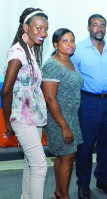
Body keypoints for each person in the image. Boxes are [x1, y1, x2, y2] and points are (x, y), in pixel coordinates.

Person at [0, 8, 48, 199]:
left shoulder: (31, 50)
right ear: (25, 27)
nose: (43, 33)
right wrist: (9, 121)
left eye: (45, 29)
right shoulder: (17, 53)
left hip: (33, 116)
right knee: (40, 167)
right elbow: (6, 91)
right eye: (38, 28)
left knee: (31, 164)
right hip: (21, 117)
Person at [72, 14, 107, 199]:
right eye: (95, 25)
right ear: (88, 27)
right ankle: (83, 184)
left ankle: (102, 179)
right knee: (85, 147)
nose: (99, 28)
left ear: (106, 28)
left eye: (102, 25)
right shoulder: (78, 50)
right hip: (88, 102)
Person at [42, 28, 83, 199]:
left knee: (63, 157)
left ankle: (59, 193)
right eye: (65, 40)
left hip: (72, 117)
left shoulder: (71, 62)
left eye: (72, 40)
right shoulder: (52, 65)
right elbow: (50, 99)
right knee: (67, 157)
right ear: (55, 44)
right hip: (59, 119)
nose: (70, 44)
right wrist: (64, 127)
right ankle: (64, 195)